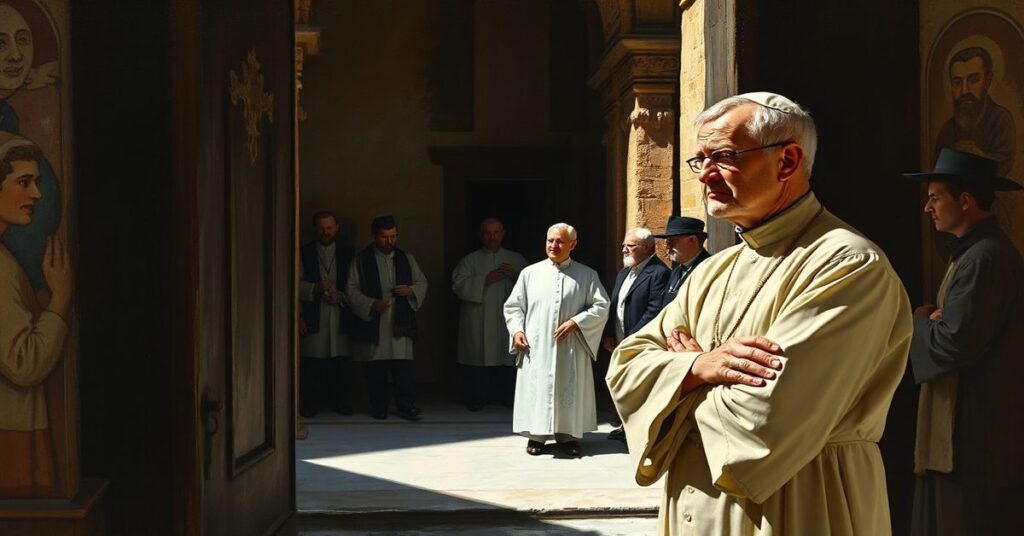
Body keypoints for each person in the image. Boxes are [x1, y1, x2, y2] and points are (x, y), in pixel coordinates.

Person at [606, 92, 912, 535]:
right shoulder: (714, 270)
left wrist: (673, 381)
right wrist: (698, 367)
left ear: (787, 160)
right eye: (699, 160)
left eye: (724, 157)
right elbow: (625, 368)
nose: (706, 174)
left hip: (802, 501)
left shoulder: (846, 264)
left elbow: (763, 419)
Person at [903, 148, 1024, 536]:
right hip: (970, 439)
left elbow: (952, 344)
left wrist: (920, 322)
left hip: (975, 441)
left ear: (966, 201)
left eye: (936, 197)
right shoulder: (975, 253)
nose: (928, 208)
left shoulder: (984, 257)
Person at [0, 132, 71, 496]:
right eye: (24, 182)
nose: (36, 195)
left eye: (38, 183)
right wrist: (60, 299)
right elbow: (23, 364)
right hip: (10, 441)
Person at [504, 223, 609, 457]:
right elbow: (513, 307)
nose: (553, 245)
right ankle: (537, 436)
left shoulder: (587, 275)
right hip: (537, 346)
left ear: (572, 245)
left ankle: (568, 437)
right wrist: (517, 330)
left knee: (568, 387)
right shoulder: (530, 273)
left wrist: (576, 322)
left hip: (569, 346)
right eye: (550, 240)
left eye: (560, 241)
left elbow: (601, 306)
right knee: (537, 388)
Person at [346, 215, 428, 421]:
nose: (390, 242)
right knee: (375, 369)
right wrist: (372, 303)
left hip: (399, 322)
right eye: (384, 237)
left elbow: (421, 282)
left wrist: (409, 290)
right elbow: (351, 290)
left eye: (394, 236)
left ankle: (406, 406)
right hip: (375, 320)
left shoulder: (406, 258)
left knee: (403, 370)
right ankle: (379, 406)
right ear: (374, 236)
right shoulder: (361, 260)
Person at [600, 227, 669, 441]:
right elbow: (615, 305)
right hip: (620, 340)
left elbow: (654, 309)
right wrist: (610, 332)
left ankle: (639, 433)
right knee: (623, 385)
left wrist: (633, 337)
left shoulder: (659, 273)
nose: (623, 250)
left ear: (647, 248)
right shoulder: (624, 272)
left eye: (629, 246)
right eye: (623, 245)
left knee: (641, 388)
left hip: (640, 342)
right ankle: (624, 426)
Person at [451, 217, 526, 411]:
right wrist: (485, 279)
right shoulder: (470, 260)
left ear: (503, 234)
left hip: (506, 319)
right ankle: (477, 398)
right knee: (479, 356)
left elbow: (532, 286)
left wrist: (516, 276)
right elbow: (458, 285)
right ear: (481, 235)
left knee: (507, 357)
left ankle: (508, 398)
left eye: (496, 232)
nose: (492, 237)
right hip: (479, 317)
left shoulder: (516, 259)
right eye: (488, 233)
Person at [298, 210, 355, 418]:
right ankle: (311, 405)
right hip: (315, 313)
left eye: (329, 228)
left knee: (341, 363)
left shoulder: (348, 253)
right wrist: (315, 288)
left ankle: (341, 403)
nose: (326, 232)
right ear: (315, 229)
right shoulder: (303, 252)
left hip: (340, 313)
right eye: (322, 228)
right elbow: (293, 284)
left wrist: (342, 295)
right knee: (313, 364)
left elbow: (356, 285)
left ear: (336, 228)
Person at [935, 46, 1015, 177]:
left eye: (973, 80)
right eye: (957, 82)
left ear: (987, 80)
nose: (964, 90)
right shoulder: (947, 130)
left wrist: (979, 157)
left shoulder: (1000, 120)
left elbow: (1004, 165)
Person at [654, 216, 710, 307]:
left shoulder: (709, 269)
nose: (667, 247)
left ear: (692, 240)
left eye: (672, 242)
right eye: (666, 242)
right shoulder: (677, 270)